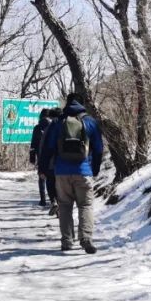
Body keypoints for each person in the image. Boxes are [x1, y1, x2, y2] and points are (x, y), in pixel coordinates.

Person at [42, 93, 104, 254]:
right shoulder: (90, 122)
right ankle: (86, 239)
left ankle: (67, 241)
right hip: (83, 171)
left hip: (61, 172)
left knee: (64, 206)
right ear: (82, 105)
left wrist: (44, 169)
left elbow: (48, 149)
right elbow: (98, 149)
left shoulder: (57, 123)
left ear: (66, 104)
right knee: (86, 205)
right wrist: (95, 169)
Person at [29, 108, 54, 207]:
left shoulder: (37, 128)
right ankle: (53, 200)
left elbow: (33, 144)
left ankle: (43, 200)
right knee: (52, 178)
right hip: (52, 157)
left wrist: (32, 157)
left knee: (42, 177)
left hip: (41, 156)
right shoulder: (53, 126)